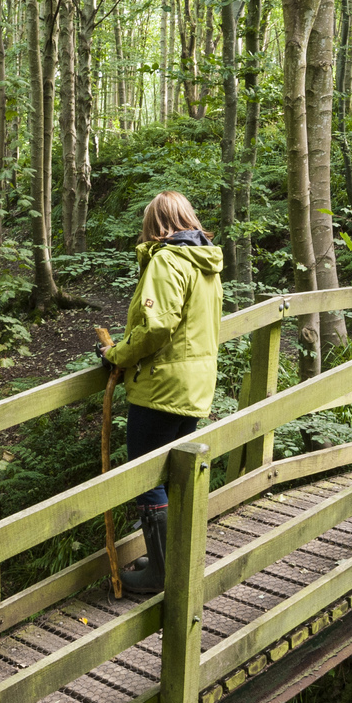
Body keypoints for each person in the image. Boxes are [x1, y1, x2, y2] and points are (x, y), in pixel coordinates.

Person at [97, 190, 224, 594]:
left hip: (162, 386)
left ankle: (162, 574)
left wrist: (116, 354)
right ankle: (174, 561)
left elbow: (157, 327)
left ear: (156, 226)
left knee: (146, 475)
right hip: (195, 385)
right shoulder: (206, 264)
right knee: (174, 475)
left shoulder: (168, 260)